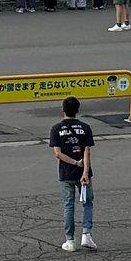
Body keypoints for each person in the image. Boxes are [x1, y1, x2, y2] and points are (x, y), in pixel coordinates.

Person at [50, 96, 96, 252]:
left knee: (69, 205)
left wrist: (74, 163)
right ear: (77, 110)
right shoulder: (85, 127)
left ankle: (70, 240)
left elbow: (57, 154)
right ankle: (86, 235)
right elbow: (87, 152)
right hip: (83, 173)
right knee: (87, 203)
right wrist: (84, 171)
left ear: (63, 109)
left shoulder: (56, 129)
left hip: (66, 173)